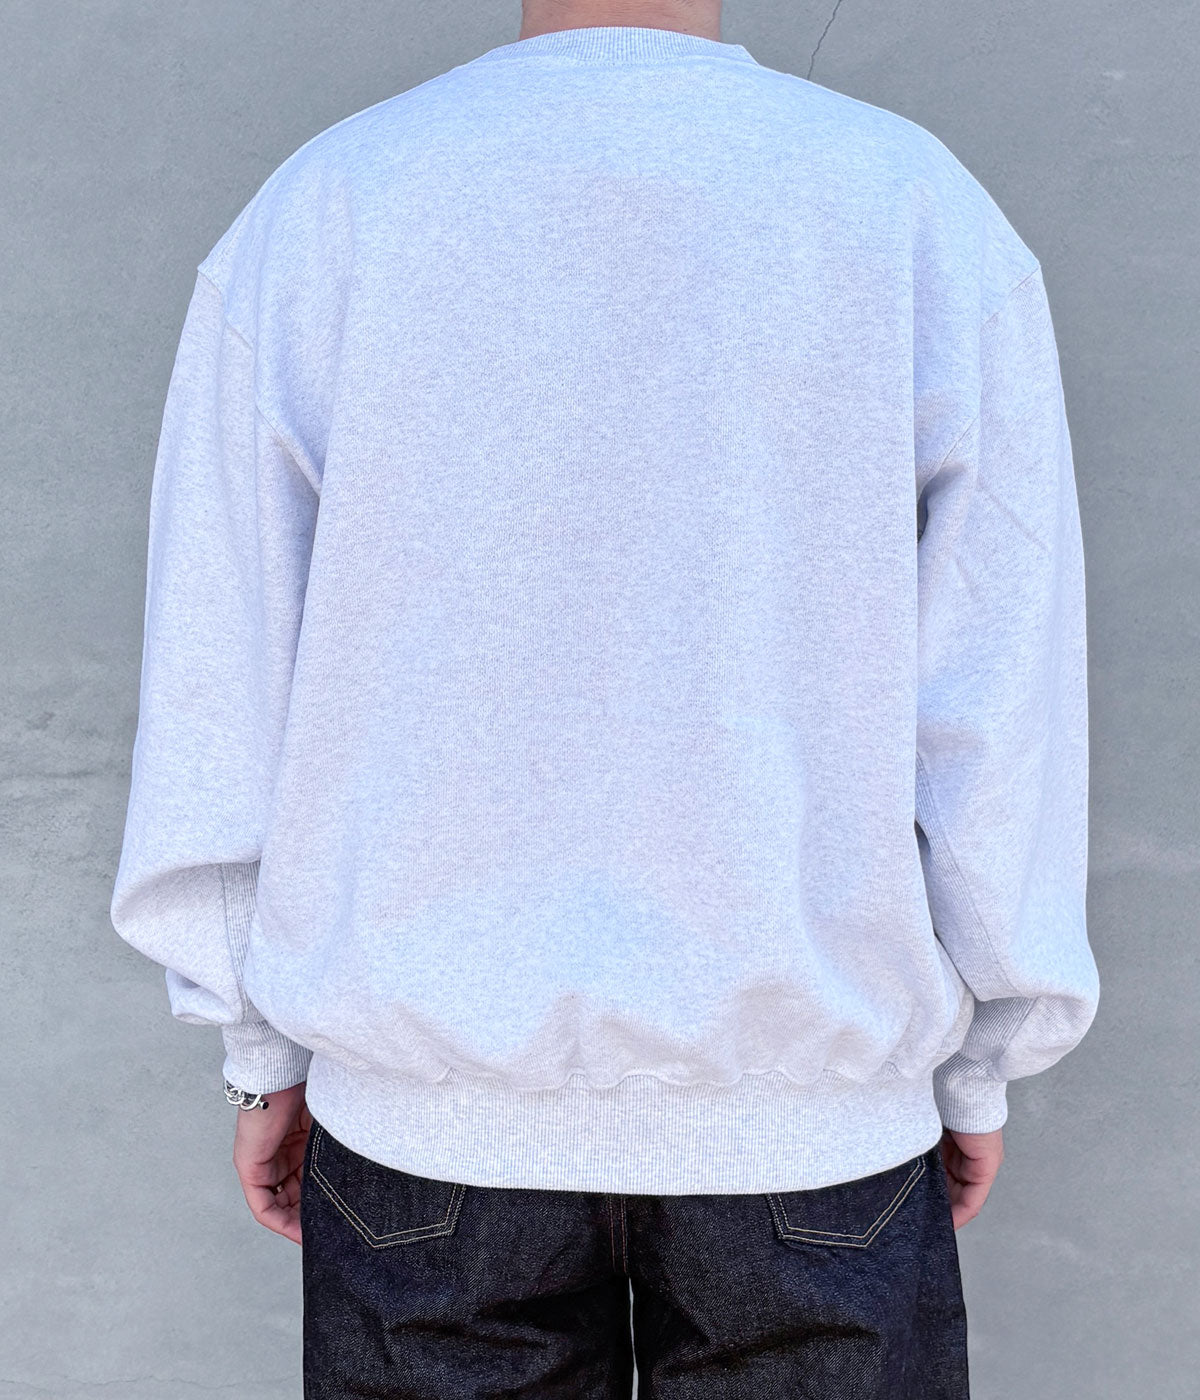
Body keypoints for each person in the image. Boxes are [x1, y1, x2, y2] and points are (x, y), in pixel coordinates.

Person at [109, 0, 1100, 1394]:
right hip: (811, 1126)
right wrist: (987, 1049)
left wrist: (260, 1047)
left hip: (428, 1134)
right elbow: (993, 694)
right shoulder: (912, 207)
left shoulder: (331, 204)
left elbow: (224, 663)